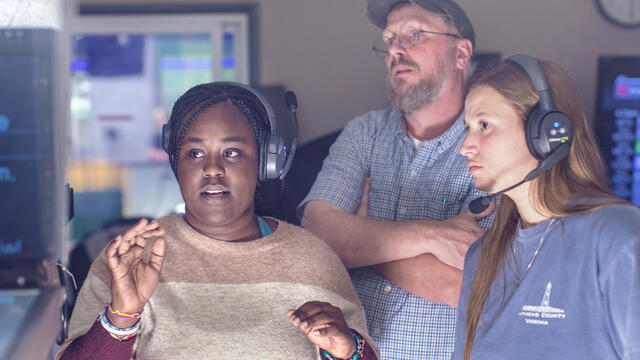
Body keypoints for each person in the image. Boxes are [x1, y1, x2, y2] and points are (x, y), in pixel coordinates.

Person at [56, 82, 378, 360]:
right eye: (194, 153)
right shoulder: (131, 256)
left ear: (265, 163)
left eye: (232, 152)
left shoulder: (313, 258)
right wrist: (122, 316)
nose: (212, 169)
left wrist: (347, 350)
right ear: (176, 164)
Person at [298, 0, 493, 358]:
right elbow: (319, 233)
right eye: (389, 41)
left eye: (414, 34)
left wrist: (358, 243)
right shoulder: (364, 132)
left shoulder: (492, 142)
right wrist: (433, 236)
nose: (396, 50)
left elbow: (473, 284)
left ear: (461, 53)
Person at [452, 56, 640, 360]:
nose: (465, 146)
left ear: (548, 132)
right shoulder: (482, 256)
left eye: (484, 125)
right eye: (468, 128)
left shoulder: (619, 236)